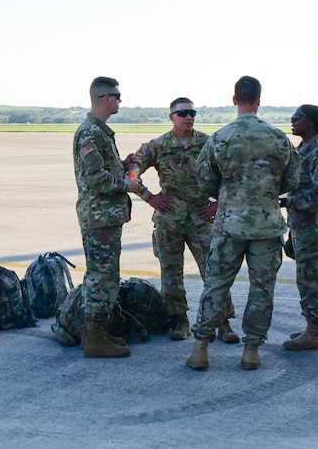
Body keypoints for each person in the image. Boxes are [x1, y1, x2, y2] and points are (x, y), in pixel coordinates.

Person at [185, 76, 300, 372]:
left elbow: (204, 180)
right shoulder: (277, 138)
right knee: (262, 288)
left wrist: (228, 194)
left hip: (229, 225)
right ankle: (252, 350)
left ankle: (201, 348)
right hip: (267, 226)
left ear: (234, 100)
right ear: (259, 100)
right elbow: (293, 180)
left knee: (216, 285)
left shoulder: (221, 137)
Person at [128, 98, 237, 343]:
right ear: (171, 117)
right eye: (182, 113)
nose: (188, 117)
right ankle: (179, 320)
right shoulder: (157, 146)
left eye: (192, 113)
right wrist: (148, 197)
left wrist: (218, 202)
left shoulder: (209, 142)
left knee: (214, 270)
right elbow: (133, 170)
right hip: (169, 218)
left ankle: (223, 322)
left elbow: (228, 174)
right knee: (170, 273)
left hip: (201, 217)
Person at [72, 76, 133, 358]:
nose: (120, 100)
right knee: (102, 276)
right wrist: (127, 185)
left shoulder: (100, 131)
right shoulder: (90, 133)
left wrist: (123, 167)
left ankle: (97, 332)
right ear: (105, 98)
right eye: (118, 96)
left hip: (105, 216)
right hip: (100, 217)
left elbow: (104, 170)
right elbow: (95, 178)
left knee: (105, 274)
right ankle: (95, 339)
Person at [282, 104, 318, 350]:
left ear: (311, 122)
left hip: (317, 229)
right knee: (315, 279)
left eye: (297, 118)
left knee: (311, 280)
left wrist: (287, 201)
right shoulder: (304, 150)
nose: (292, 121)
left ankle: (313, 331)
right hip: (304, 227)